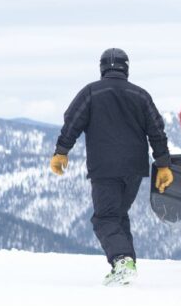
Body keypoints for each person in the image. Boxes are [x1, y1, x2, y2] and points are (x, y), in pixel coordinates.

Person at [48, 48, 174, 286]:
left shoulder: (91, 92)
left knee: (104, 218)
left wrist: (61, 152)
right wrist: (163, 164)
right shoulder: (141, 95)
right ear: (126, 67)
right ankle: (126, 266)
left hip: (104, 167)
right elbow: (157, 131)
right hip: (135, 168)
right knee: (117, 215)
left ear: (102, 67)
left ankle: (122, 260)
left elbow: (72, 121)